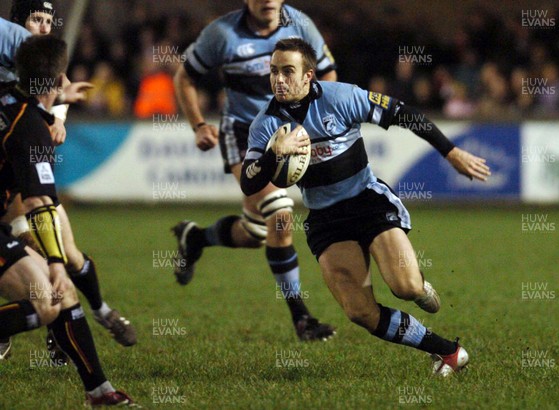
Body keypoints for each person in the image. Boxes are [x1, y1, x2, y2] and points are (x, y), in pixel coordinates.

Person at [241, 38, 492, 375]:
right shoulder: (266, 125)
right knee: (360, 312)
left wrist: (451, 152)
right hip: (326, 220)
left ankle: (419, 285)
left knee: (405, 287)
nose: (279, 80)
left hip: (367, 203)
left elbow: (403, 113)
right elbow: (249, 181)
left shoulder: (341, 97)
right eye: (274, 72)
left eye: (288, 71)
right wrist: (276, 152)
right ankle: (447, 352)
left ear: (308, 76)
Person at [172, 0, 336, 341]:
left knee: (255, 233)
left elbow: (327, 71)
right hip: (245, 136)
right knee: (280, 213)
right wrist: (198, 125)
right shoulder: (222, 34)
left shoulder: (300, 24)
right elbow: (185, 78)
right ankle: (302, 318)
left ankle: (196, 238)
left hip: (291, 134)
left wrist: (320, 119)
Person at [0, 34, 137, 406]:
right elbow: (40, 204)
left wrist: (58, 99)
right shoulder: (31, 130)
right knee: (51, 297)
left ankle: (99, 391)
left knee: (60, 297)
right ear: (59, 78)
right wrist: (56, 263)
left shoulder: (9, 97)